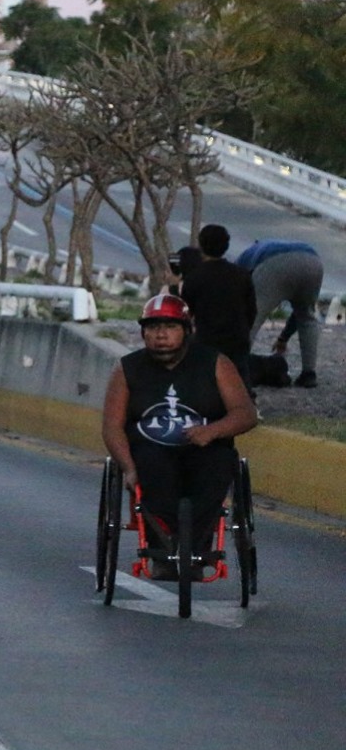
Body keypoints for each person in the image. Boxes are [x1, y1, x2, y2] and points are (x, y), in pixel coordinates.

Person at [101, 293, 257, 577]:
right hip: (149, 452)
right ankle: (162, 548)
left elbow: (245, 414)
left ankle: (196, 551)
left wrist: (212, 431)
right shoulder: (127, 369)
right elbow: (112, 426)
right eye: (153, 328)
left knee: (216, 469)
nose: (161, 335)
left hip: (206, 447)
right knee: (151, 471)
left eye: (170, 327)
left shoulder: (215, 364)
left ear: (187, 330)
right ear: (143, 332)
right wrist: (128, 468)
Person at [175, 225, 255, 389]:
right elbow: (251, 310)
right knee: (240, 377)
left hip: (207, 338)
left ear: (201, 245)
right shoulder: (241, 274)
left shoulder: (195, 278)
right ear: (226, 246)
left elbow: (184, 313)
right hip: (237, 338)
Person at [237, 239, 324, 387]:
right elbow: (297, 315)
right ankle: (309, 374)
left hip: (274, 264)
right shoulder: (269, 246)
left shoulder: (244, 258)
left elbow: (239, 302)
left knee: (253, 318)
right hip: (312, 260)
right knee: (307, 317)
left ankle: (239, 369)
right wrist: (283, 338)